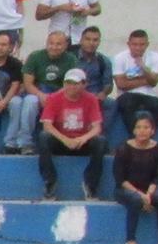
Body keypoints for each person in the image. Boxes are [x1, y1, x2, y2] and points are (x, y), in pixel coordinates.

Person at [35, 68, 106, 200]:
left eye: (76, 83)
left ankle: (91, 184)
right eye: (68, 83)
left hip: (81, 142)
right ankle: (50, 182)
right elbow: (47, 125)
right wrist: (64, 139)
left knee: (100, 141)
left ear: (84, 85)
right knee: (44, 137)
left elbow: (97, 127)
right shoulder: (53, 98)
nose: (71, 86)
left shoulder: (91, 99)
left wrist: (82, 139)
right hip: (61, 141)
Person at [113, 113, 158, 244]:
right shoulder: (123, 148)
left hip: (149, 189)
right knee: (135, 200)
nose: (142, 131)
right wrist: (141, 195)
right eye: (138, 127)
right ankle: (130, 241)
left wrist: (149, 194)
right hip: (126, 189)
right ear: (133, 130)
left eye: (146, 127)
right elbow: (120, 179)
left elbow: (157, 176)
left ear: (153, 130)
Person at [112, 28, 158, 140]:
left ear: (147, 44)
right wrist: (145, 79)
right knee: (126, 104)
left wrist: (144, 68)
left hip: (148, 95)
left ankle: (149, 134)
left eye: (142, 44)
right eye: (135, 44)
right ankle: (134, 136)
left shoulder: (155, 57)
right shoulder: (120, 58)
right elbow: (121, 84)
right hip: (127, 95)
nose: (138, 48)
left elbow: (153, 83)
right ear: (128, 44)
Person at [22, 27, 78, 105]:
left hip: (59, 92)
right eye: (51, 43)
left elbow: (72, 83)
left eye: (58, 44)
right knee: (30, 101)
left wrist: (53, 97)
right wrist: (41, 95)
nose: (54, 47)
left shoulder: (71, 59)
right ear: (47, 43)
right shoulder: (35, 56)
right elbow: (28, 83)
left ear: (66, 45)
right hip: (37, 91)